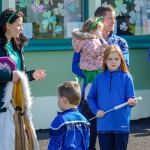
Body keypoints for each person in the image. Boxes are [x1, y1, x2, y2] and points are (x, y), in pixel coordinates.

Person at [71, 5, 129, 150]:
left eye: (115, 18)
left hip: (114, 98)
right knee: (88, 140)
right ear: (99, 20)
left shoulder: (120, 43)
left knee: (112, 142)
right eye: (110, 18)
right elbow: (75, 66)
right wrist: (95, 79)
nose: (114, 21)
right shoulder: (86, 40)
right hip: (90, 96)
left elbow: (125, 66)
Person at [0, 8, 46, 150]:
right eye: (18, 25)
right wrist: (8, 76)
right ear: (8, 25)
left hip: (18, 102)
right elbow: (10, 75)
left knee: (20, 142)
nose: (21, 28)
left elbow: (19, 73)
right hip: (2, 105)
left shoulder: (17, 45)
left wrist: (31, 74)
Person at [87, 45, 137, 150]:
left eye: (116, 59)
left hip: (121, 125)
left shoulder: (127, 78)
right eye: (110, 59)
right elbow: (91, 98)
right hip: (103, 125)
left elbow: (131, 98)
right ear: (105, 60)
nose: (113, 62)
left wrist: (132, 102)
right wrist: (96, 111)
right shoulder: (98, 78)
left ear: (121, 60)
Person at [72, 17, 107, 100]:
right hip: (92, 68)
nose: (101, 32)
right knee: (91, 84)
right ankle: (87, 99)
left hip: (92, 66)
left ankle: (87, 98)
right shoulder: (90, 42)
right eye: (100, 30)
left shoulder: (93, 40)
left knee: (91, 84)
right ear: (92, 30)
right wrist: (103, 47)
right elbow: (94, 53)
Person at [48, 81, 90, 150]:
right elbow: (86, 144)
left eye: (58, 98)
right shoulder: (85, 121)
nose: (57, 101)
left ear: (64, 100)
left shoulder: (60, 120)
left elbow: (54, 145)